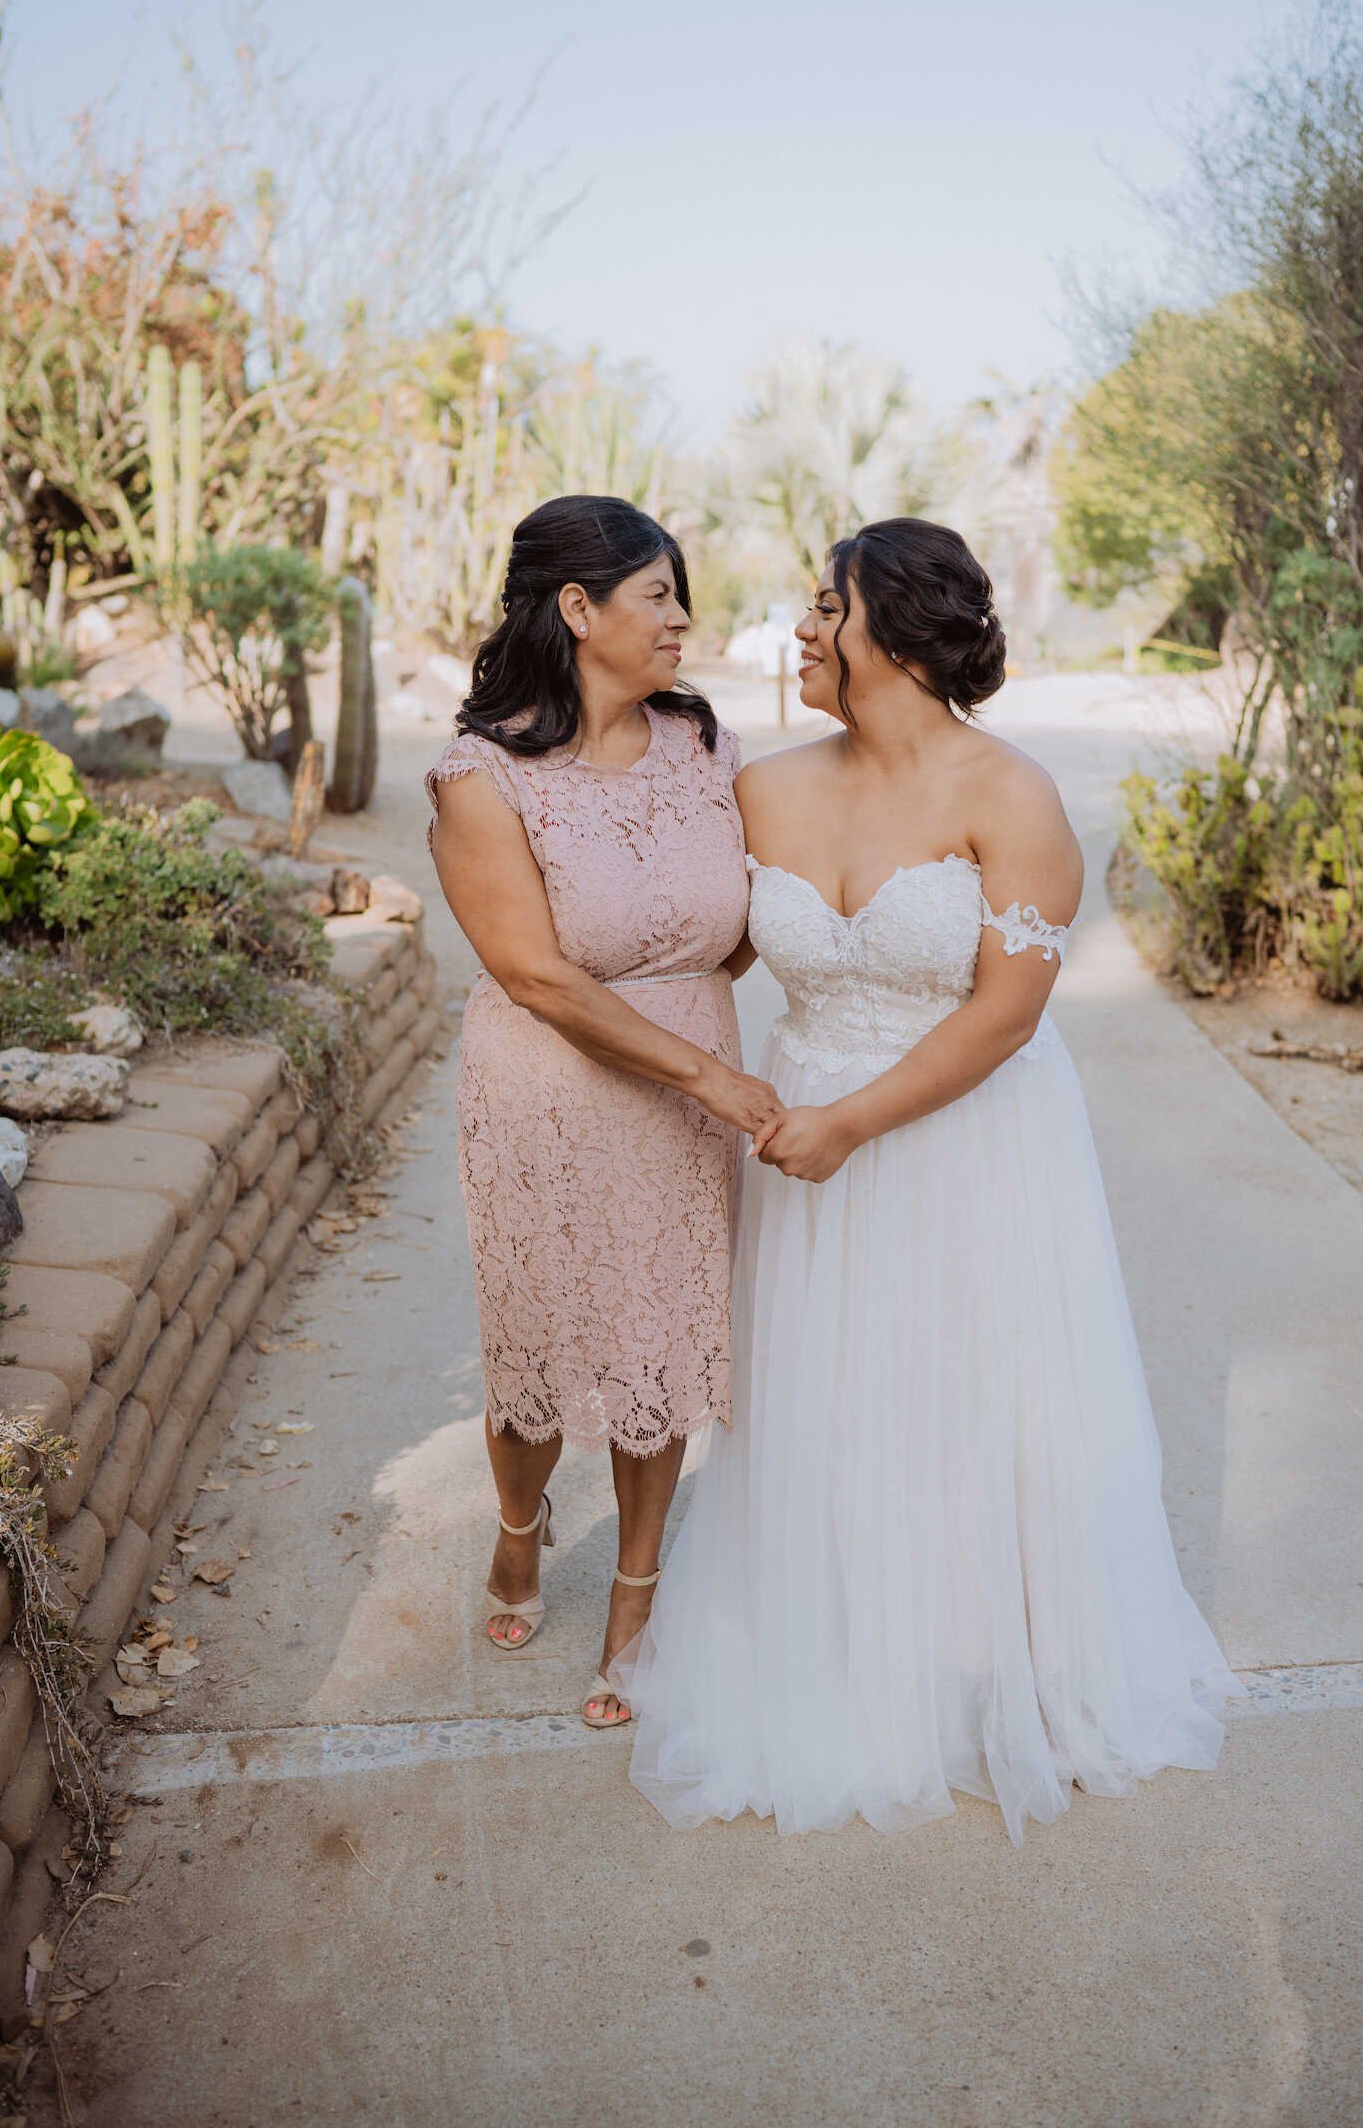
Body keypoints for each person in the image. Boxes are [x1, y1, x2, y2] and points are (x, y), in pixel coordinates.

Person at [616, 517, 1241, 1834]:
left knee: (972, 1394)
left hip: (964, 1139)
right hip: (803, 1143)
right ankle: (840, 1646)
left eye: (822, 606)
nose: (796, 627)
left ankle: (992, 1663)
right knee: (827, 1395)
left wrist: (851, 1121)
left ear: (891, 632)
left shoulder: (1009, 796)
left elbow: (1007, 1013)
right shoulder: (766, 791)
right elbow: (692, 951)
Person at [424, 495, 779, 1727]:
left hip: (688, 1081)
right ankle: (520, 1524)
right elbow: (533, 973)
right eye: (658, 596)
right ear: (578, 610)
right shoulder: (482, 776)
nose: (683, 621)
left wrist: (697, 1012)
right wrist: (705, 1072)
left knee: (663, 1352)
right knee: (534, 1363)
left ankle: (635, 1590)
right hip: (549, 1093)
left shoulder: (708, 749)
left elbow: (743, 926)